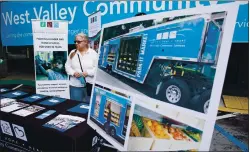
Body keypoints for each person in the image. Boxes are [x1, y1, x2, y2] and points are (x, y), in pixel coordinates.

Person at [65, 33, 98, 103]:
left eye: (78, 42)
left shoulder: (93, 53)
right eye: (75, 42)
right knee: (75, 106)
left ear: (86, 42)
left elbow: (97, 69)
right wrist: (73, 73)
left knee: (89, 107)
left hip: (89, 86)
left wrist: (88, 73)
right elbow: (67, 66)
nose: (76, 43)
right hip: (75, 86)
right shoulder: (72, 53)